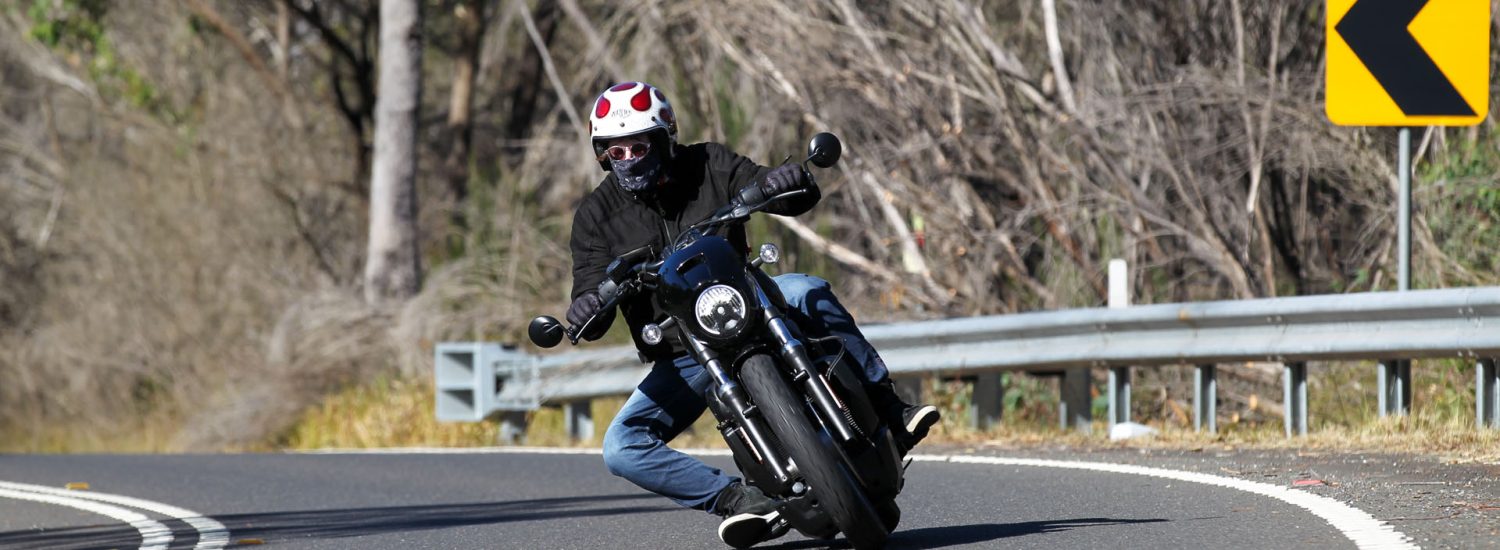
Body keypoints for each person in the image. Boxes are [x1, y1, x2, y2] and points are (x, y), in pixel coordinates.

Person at [567, 81, 939, 548]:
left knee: (806, 288)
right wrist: (585, 304)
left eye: (639, 146)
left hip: (753, 303)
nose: (628, 158)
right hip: (685, 350)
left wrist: (783, 181)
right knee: (620, 447)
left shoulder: (707, 163)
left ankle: (891, 407)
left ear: (664, 139)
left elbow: (773, 187)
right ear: (602, 154)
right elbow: (588, 292)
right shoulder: (595, 216)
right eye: (615, 151)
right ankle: (738, 500)